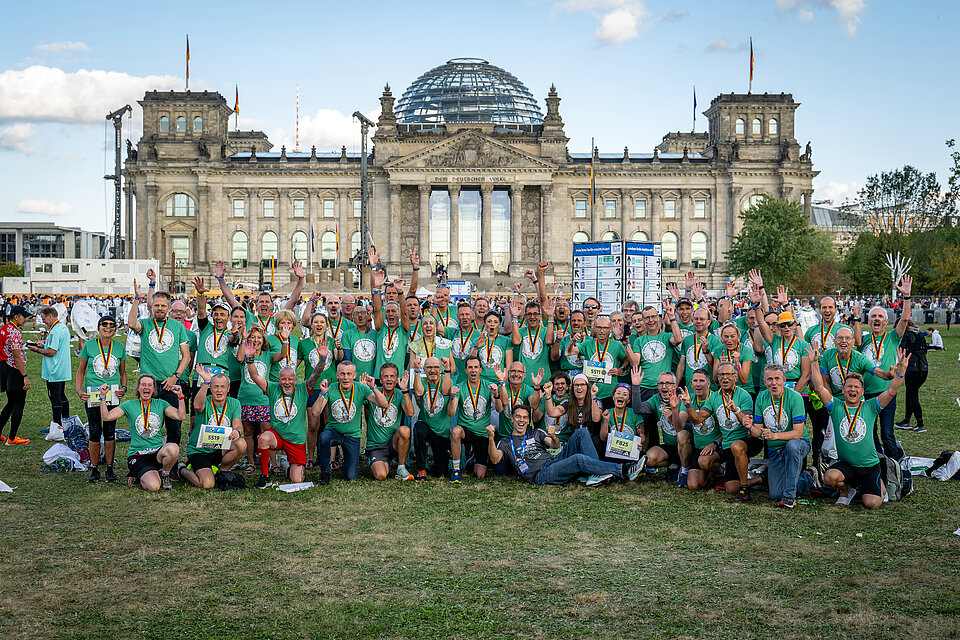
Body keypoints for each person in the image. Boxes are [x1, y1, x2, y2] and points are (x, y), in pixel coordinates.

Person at [809, 345, 908, 509]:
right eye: (849, 386)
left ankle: (876, 484)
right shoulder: (836, 406)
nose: (852, 389)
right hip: (847, 464)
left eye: (856, 387)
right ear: (843, 389)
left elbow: (891, 391)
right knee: (829, 477)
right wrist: (814, 362)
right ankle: (846, 490)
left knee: (872, 504)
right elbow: (819, 387)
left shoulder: (870, 406)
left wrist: (901, 372)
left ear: (862, 391)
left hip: (869, 466)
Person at [486, 405, 643, 485]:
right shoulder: (505, 442)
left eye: (525, 418)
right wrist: (491, 439)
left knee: (581, 433)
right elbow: (494, 459)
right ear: (512, 419)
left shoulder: (535, 432)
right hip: (539, 475)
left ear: (528, 420)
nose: (521, 420)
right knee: (577, 459)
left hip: (552, 461)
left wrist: (554, 436)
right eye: (518, 417)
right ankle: (625, 470)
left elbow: (553, 446)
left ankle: (595, 474)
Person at [244, 346, 324, 488]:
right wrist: (250, 360)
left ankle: (291, 468)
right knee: (263, 438)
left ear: (295, 379)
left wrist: (322, 359)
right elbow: (255, 377)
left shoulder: (302, 389)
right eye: (283, 379)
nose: (286, 382)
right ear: (279, 379)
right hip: (278, 436)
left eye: (290, 379)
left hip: (296, 441)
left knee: (297, 480)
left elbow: (315, 375)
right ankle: (265, 477)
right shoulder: (273, 388)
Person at [127, 283, 191, 445]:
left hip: (170, 383)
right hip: (150, 384)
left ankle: (172, 461)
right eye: (157, 305)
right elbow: (131, 324)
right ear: (152, 306)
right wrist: (136, 299)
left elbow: (186, 357)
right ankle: (148, 457)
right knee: (148, 422)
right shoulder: (146, 324)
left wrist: (175, 377)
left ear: (168, 308)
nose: (160, 308)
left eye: (163, 305)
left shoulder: (177, 327)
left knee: (174, 426)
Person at [100, 375, 185, 491]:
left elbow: (181, 416)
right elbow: (106, 417)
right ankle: (137, 476)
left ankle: (165, 474)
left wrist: (180, 396)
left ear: (154, 389)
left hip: (157, 452)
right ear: (138, 388)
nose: (147, 387)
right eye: (143, 385)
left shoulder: (161, 403)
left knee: (173, 448)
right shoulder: (129, 405)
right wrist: (103, 397)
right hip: (138, 455)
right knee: (154, 486)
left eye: (150, 385)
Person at [859, 277, 911, 458]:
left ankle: (894, 468)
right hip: (867, 394)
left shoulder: (892, 337)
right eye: (873, 316)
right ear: (868, 320)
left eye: (880, 316)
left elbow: (904, 320)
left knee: (887, 435)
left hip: (887, 392)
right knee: (870, 434)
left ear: (886, 321)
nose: (876, 319)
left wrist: (906, 297)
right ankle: (878, 464)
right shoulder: (862, 340)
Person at [314, 361, 390, 484]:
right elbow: (315, 413)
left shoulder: (361, 388)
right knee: (324, 437)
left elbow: (384, 404)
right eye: (342, 374)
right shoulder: (331, 388)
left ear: (354, 375)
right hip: (334, 431)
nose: (345, 377)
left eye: (349, 374)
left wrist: (373, 387)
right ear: (337, 375)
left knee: (351, 477)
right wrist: (322, 393)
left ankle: (346, 463)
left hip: (352, 435)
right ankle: (325, 472)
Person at [75, 316, 128, 482]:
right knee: (95, 430)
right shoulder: (90, 346)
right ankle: (95, 468)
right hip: (93, 393)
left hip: (112, 394)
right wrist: (78, 389)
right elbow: (81, 371)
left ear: (115, 329)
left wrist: (124, 388)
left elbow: (123, 372)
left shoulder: (119, 347)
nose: (108, 327)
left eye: (112, 325)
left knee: (110, 431)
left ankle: (110, 468)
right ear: (99, 328)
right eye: (104, 324)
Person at [752, 364, 812, 508]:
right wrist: (748, 425)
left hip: (798, 444)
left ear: (784, 380)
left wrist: (775, 436)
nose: (774, 383)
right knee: (775, 495)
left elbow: (798, 433)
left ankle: (789, 496)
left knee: (792, 445)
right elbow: (757, 432)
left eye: (777, 378)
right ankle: (809, 477)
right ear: (764, 381)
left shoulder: (795, 397)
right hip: (776, 450)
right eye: (770, 379)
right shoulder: (761, 398)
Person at [178, 368, 246, 489]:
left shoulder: (234, 403)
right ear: (211, 388)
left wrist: (237, 431)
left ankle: (221, 472)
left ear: (228, 389)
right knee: (207, 484)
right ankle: (183, 469)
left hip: (220, 447)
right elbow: (197, 407)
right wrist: (206, 382)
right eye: (215, 387)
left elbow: (238, 424)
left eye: (223, 387)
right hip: (200, 451)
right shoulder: (205, 400)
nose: (219, 390)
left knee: (241, 444)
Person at [451, 356, 498, 480]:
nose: (473, 370)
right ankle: (456, 470)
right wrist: (452, 397)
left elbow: (499, 409)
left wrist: (496, 395)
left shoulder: (488, 386)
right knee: (455, 431)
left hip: (482, 433)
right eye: (470, 367)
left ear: (480, 370)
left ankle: (472, 459)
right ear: (466, 370)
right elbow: (451, 413)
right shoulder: (460, 387)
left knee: (480, 475)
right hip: (465, 430)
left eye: (476, 367)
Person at [366, 364, 415, 481]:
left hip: (393, 443)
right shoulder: (373, 393)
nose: (389, 379)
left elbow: (410, 413)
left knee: (405, 430)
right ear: (380, 379)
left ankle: (401, 468)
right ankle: (378, 461)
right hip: (376, 446)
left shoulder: (399, 393)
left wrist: (404, 390)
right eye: (385, 376)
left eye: (392, 376)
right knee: (381, 475)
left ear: (397, 378)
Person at [27, 306, 73, 430]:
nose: (43, 321)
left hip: (54, 369)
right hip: (62, 368)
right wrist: (43, 344)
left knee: (55, 397)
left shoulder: (54, 330)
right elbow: (56, 346)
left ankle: (56, 425)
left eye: (44, 318)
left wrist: (37, 349)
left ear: (51, 316)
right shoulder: (63, 327)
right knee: (61, 395)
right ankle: (66, 422)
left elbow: (52, 352)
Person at [412, 356, 455, 481]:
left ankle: (436, 462)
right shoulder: (423, 381)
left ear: (440, 369)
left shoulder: (445, 380)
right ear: (424, 370)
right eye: (429, 367)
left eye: (436, 367)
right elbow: (419, 392)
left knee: (441, 473)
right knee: (418, 429)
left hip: (441, 433)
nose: (432, 370)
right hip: (425, 426)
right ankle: (421, 468)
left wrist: (447, 369)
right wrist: (416, 370)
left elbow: (446, 391)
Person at [0, 305, 30, 445]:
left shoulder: (4, 329)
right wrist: (25, 375)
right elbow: (17, 356)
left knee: (10, 402)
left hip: (4, 367)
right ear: (16, 316)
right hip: (14, 369)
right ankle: (12, 438)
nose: (26, 319)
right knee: (19, 403)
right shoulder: (14, 332)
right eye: (24, 316)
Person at [897, 319, 928, 433]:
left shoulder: (906, 335)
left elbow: (901, 350)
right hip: (923, 368)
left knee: (913, 395)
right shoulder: (919, 333)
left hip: (913, 368)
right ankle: (907, 420)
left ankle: (920, 423)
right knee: (910, 393)